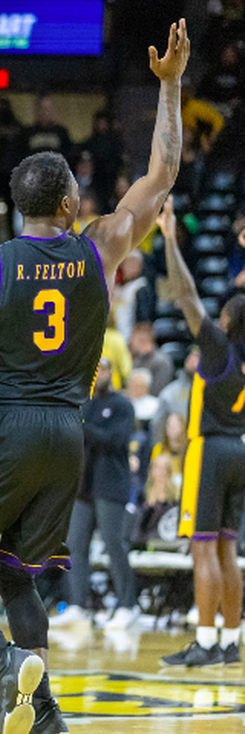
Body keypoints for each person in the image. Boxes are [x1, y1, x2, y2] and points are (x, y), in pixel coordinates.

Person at [0, 20, 188, 734]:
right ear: (71, 205)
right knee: (19, 574)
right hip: (68, 432)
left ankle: (3, 661)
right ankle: (41, 716)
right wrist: (168, 85)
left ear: (18, 208)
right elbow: (163, 173)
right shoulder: (101, 245)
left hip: (6, 427)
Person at [159, 195, 245, 668]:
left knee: (203, 548)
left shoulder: (218, 349)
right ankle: (231, 641)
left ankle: (207, 642)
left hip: (210, 449)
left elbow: (186, 296)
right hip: (241, 449)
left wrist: (171, 239)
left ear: (228, 321)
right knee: (229, 550)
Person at [54, 357, 138, 630]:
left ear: (111, 373)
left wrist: (82, 427)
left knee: (114, 545)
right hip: (83, 487)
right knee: (75, 546)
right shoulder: (85, 405)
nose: (98, 373)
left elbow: (116, 440)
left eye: (103, 368)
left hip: (111, 484)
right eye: (95, 368)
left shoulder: (122, 405)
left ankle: (128, 605)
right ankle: (78, 605)